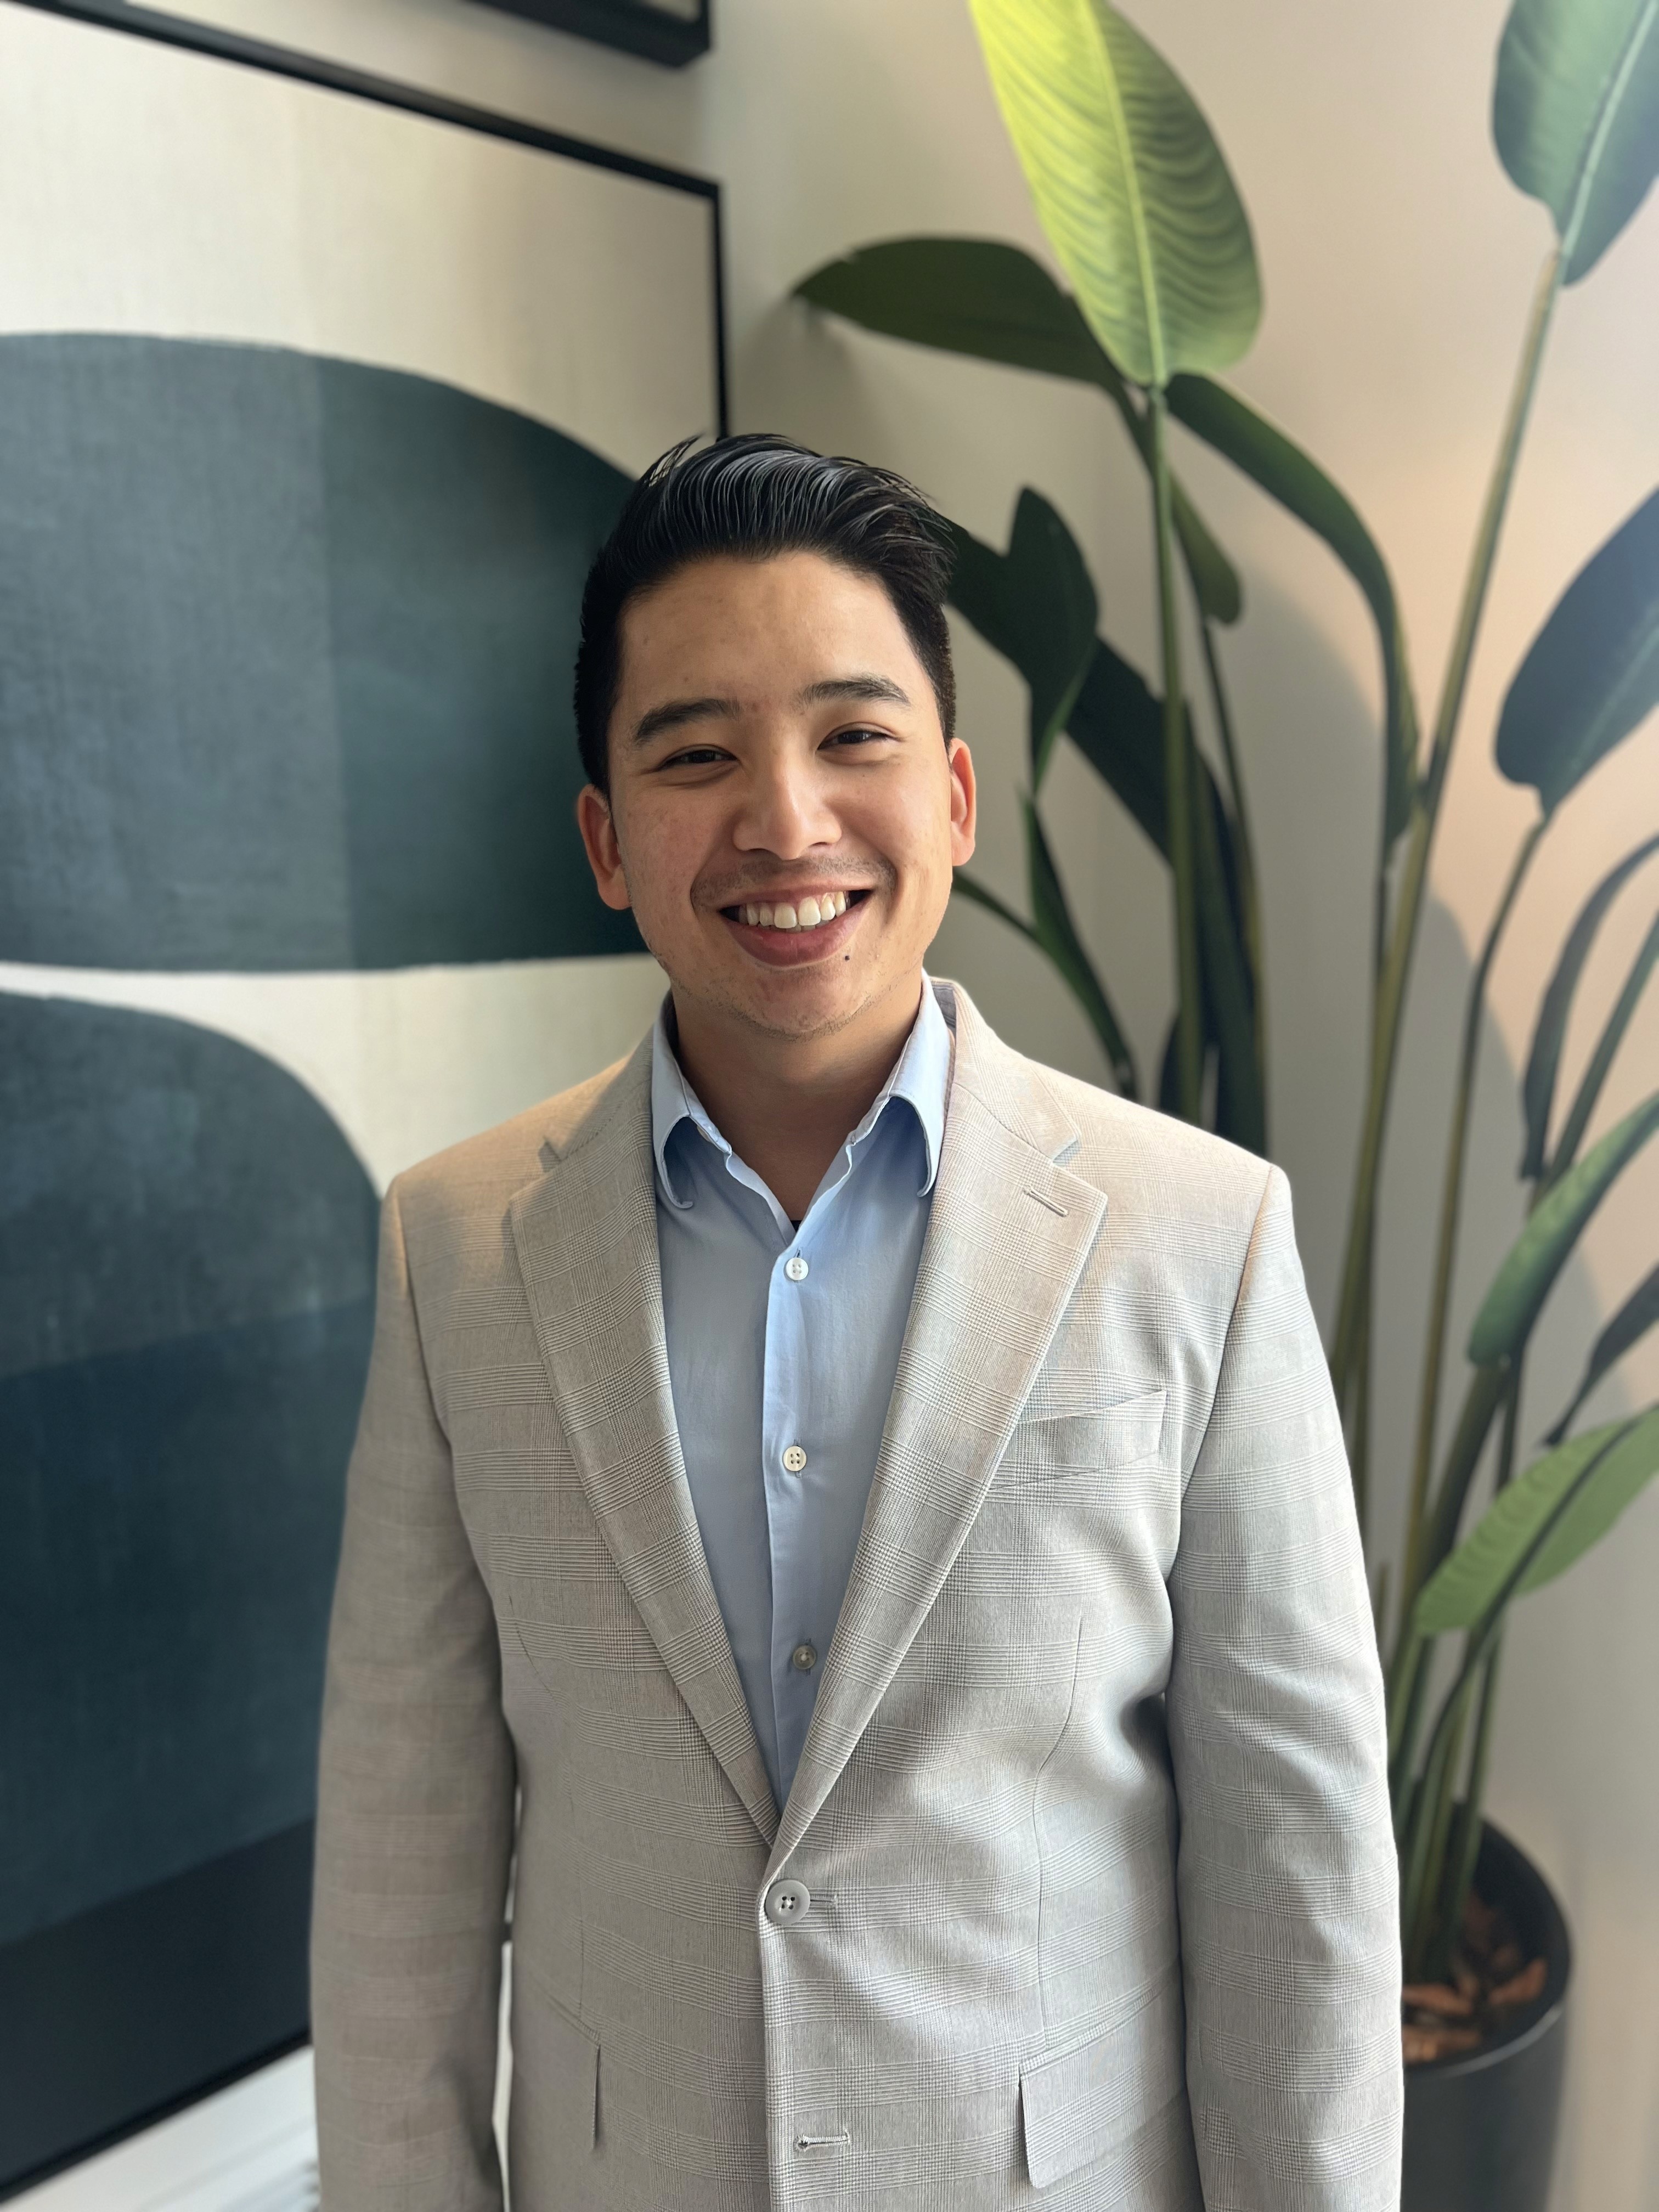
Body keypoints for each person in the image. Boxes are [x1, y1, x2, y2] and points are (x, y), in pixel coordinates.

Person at [311, 435, 1402, 2211]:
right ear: (605, 840)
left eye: (853, 736)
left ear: (955, 798)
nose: (786, 820)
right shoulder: (459, 1253)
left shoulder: (1199, 1234)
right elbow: (398, 1861)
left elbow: (1302, 1869)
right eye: (695, 754)